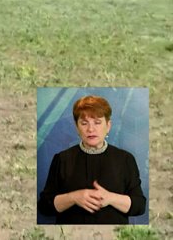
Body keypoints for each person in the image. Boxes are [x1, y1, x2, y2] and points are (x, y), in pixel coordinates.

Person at [37, 95, 147, 224]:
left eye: (97, 122)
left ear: (108, 125)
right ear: (77, 127)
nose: (90, 129)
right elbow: (45, 206)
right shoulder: (62, 159)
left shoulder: (125, 159)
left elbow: (140, 206)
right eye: (84, 123)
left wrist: (110, 198)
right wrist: (73, 197)